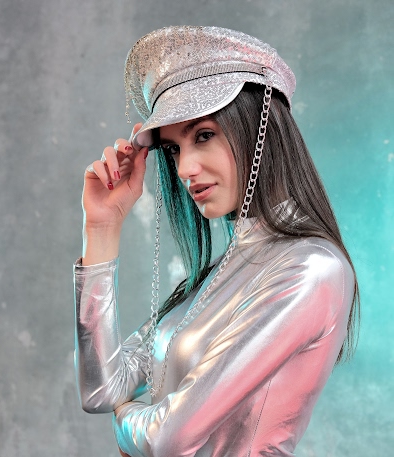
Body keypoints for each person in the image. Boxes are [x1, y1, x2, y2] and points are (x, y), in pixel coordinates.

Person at [74, 26, 359, 457]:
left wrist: (125, 420)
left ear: (260, 129)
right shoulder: (223, 269)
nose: (184, 168)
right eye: (173, 149)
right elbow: (102, 388)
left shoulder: (310, 269)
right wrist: (101, 229)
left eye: (203, 135)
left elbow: (168, 439)